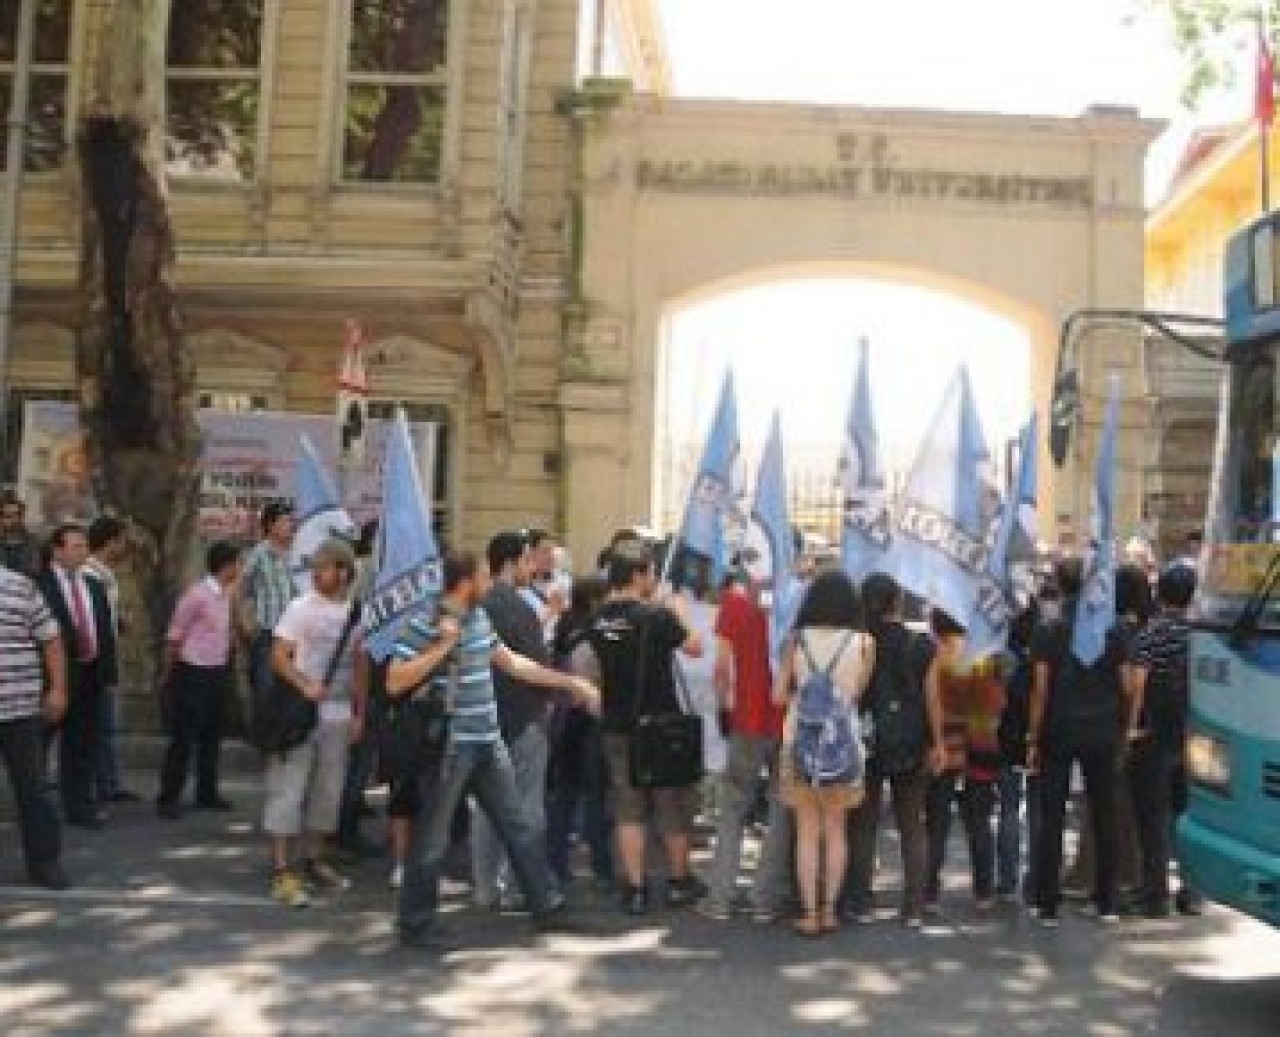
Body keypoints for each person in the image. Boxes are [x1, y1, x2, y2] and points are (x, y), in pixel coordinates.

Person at [391, 550, 600, 948]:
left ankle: (547, 905)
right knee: (433, 838)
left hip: (487, 739)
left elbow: (514, 664)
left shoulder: (478, 618)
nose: (490, 582)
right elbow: (395, 680)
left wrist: (569, 683)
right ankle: (415, 922)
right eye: (484, 576)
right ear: (467, 581)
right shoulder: (428, 624)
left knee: (517, 823)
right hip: (451, 745)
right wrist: (441, 648)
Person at [588, 538, 708, 916]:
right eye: (651, 572)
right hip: (659, 724)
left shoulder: (599, 618)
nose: (654, 578)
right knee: (670, 805)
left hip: (616, 724)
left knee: (628, 809)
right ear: (639, 575)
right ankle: (678, 880)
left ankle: (635, 888)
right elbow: (694, 647)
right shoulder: (656, 616)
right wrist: (679, 612)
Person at [772, 569, 875, 937]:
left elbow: (778, 696)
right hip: (844, 747)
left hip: (799, 744)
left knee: (806, 832)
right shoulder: (864, 643)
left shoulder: (795, 641)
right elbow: (855, 695)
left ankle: (809, 912)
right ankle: (831, 911)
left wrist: (805, 695)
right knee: (837, 830)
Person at [266, 539, 368, 908]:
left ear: (343, 571)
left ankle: (314, 859)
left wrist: (359, 712)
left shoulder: (357, 613)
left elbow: (360, 666)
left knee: (329, 791)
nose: (315, 572)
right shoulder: (300, 608)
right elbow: (278, 655)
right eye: (314, 566)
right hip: (301, 714)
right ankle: (281, 869)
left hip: (338, 716)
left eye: (323, 566)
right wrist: (304, 684)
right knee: (289, 788)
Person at [1028, 557, 1127, 927]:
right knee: (1104, 814)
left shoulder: (1048, 628)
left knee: (1052, 814)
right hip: (1102, 726)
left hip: (1059, 727)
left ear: (1059, 584)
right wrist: (1124, 724)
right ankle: (1107, 900)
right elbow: (1126, 681)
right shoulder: (1111, 629)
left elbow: (1040, 688)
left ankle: (1047, 903)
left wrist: (1033, 736)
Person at [472, 531, 559, 911]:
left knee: (485, 808)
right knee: (526, 809)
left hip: (482, 719)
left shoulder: (476, 607)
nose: (533, 567)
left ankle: (485, 887)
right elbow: (535, 667)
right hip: (522, 718)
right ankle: (519, 886)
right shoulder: (519, 609)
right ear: (510, 563)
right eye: (527, 560)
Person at [700, 568, 790, 923]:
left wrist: (724, 707)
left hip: (745, 720)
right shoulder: (790, 603)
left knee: (734, 807)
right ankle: (765, 899)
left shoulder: (733, 605)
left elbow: (721, 667)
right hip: (783, 720)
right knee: (781, 808)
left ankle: (720, 897)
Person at [846, 572, 934, 927]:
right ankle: (913, 905)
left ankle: (861, 899)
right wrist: (937, 740)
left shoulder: (858, 644)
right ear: (897, 602)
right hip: (911, 740)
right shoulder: (921, 645)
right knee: (912, 824)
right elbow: (933, 699)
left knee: (863, 823)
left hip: (866, 739)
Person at [1126, 564, 1201, 918]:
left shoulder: (1150, 634)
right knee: (1187, 813)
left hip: (1155, 735)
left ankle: (1154, 894)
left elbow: (1138, 683)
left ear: (1160, 594)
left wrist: (1131, 725)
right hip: (1193, 734)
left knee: (1153, 815)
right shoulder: (1200, 635)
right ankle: (1192, 891)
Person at [922, 609, 1006, 914]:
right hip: (982, 745)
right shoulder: (984, 656)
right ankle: (983, 892)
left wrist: (939, 740)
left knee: (937, 822)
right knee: (979, 822)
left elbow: (930, 701)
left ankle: (928, 892)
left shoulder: (937, 657)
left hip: (946, 746)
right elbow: (998, 702)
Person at [38, 524, 118, 829]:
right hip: (52, 677)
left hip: (89, 675)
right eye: (75, 546)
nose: (82, 552)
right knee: (40, 744)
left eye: (84, 546)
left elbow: (104, 631)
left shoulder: (93, 585)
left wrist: (108, 673)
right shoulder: (40, 585)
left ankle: (78, 807)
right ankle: (35, 806)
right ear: (57, 550)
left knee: (81, 744)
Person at [156, 541, 242, 820]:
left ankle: (207, 791)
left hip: (217, 670)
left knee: (212, 735)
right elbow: (174, 635)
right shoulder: (197, 595)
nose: (239, 569)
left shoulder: (226, 595)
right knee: (183, 738)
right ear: (226, 566)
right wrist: (167, 673)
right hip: (193, 670)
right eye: (236, 563)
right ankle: (169, 796)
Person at [0, 559, 69, 888]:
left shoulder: (21, 586)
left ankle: (45, 862)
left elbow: (51, 639)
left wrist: (57, 688)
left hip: (20, 710)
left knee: (34, 790)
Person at [546, 576, 614, 891]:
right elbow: (590, 684)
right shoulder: (591, 636)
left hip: (562, 721)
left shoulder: (564, 629)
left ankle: (556, 864)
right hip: (587, 721)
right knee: (595, 798)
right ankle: (601, 867)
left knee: (564, 797)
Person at [84, 515, 136, 805]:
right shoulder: (92, 575)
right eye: (122, 540)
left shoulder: (105, 573)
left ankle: (108, 781)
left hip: (109, 656)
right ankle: (102, 784)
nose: (125, 546)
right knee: (101, 724)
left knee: (107, 725)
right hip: (98, 662)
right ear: (110, 541)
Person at [238, 500, 297, 731]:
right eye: (284, 521)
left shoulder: (297, 554)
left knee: (289, 686)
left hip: (294, 635)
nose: (290, 525)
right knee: (265, 686)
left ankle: (284, 733)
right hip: (268, 632)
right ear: (270, 525)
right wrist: (246, 624)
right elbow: (241, 591)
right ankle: (264, 736)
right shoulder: (258, 554)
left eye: (291, 521)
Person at [0, 491, 42, 578]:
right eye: (8, 516)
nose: (14, 519)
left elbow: (34, 571)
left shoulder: (32, 542)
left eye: (17, 514)